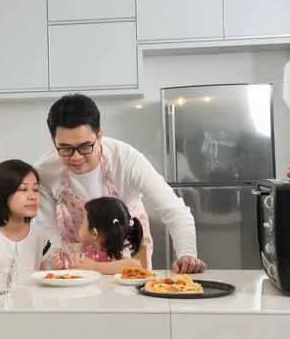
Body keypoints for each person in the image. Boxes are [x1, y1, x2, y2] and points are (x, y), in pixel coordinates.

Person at [34, 94, 206, 273]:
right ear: (53, 142)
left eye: (85, 147)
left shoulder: (127, 161)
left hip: (129, 253)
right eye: (66, 148)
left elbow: (174, 210)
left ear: (99, 136)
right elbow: (48, 229)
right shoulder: (45, 172)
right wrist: (59, 264)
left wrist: (186, 253)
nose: (76, 157)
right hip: (78, 259)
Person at [51, 197, 143, 275]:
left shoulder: (118, 254)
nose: (79, 225)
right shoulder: (82, 252)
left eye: (83, 222)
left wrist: (95, 267)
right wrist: (61, 268)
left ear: (94, 233)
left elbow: (135, 266)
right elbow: (74, 275)